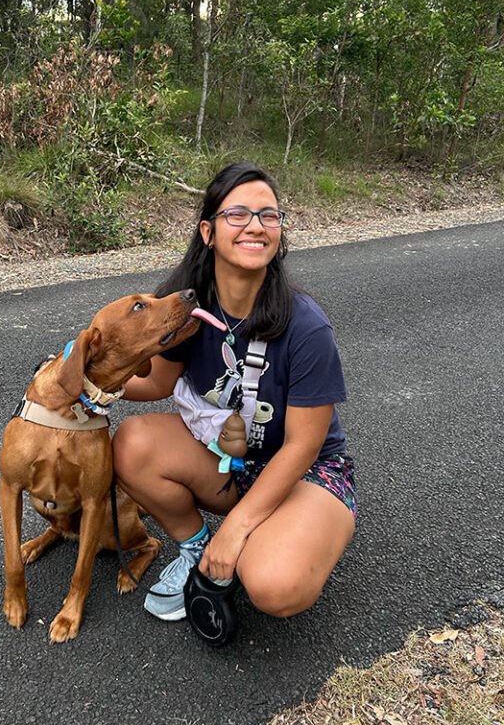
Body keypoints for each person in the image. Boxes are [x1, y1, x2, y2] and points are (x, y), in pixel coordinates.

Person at [113, 161, 356, 623]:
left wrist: (237, 529)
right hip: (232, 462)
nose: (256, 226)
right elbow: (156, 382)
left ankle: (278, 535)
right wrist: (88, 378)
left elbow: (304, 446)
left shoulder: (307, 327)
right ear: (208, 232)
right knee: (132, 443)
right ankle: (196, 548)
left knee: (273, 583)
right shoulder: (186, 306)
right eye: (238, 214)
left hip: (307, 473)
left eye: (269, 216)